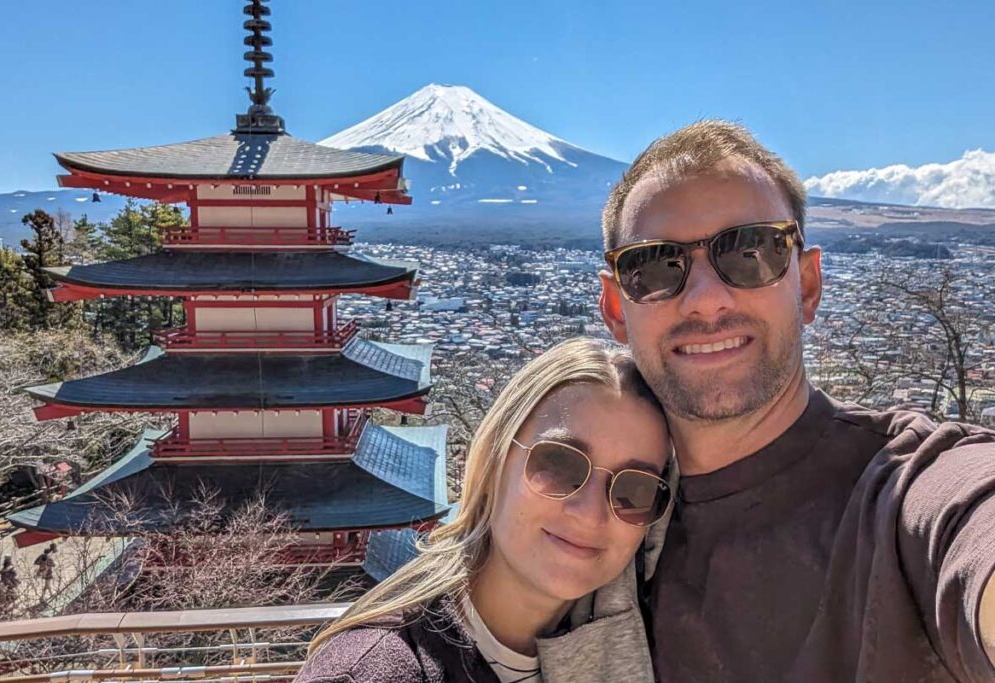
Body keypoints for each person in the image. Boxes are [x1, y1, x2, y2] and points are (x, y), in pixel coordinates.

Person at [551, 120, 995, 682]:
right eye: (656, 266)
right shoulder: (589, 515)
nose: (706, 300)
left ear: (807, 286)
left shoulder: (900, 496)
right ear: (616, 309)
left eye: (750, 252)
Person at [296, 337, 675, 682]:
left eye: (635, 489)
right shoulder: (371, 672)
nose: (590, 512)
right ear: (494, 462)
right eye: (560, 464)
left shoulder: (644, 647)